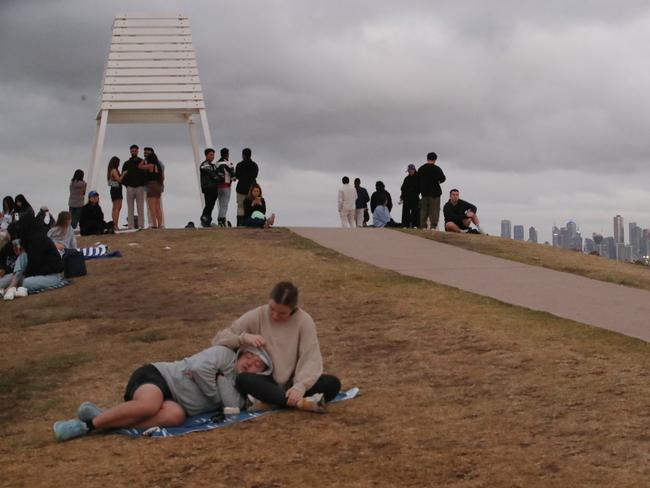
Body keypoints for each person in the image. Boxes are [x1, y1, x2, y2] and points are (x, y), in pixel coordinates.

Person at [52, 346, 272, 442]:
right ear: (243, 352)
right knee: (149, 405)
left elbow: (232, 408)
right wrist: (216, 393)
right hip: (161, 376)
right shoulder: (224, 354)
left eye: (257, 366)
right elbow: (196, 369)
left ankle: (104, 418)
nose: (250, 363)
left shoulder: (239, 389)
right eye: (250, 357)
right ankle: (85, 426)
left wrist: (221, 382)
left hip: (175, 403)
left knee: (175, 417)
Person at [212, 282, 341, 412]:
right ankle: (300, 403)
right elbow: (220, 338)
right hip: (264, 380)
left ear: (293, 309)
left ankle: (271, 402)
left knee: (333, 383)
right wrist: (243, 338)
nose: (274, 316)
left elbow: (311, 358)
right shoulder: (258, 314)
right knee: (243, 380)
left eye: (282, 313)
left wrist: (300, 386)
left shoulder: (304, 321)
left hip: (292, 381)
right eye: (272, 309)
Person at [2, 214, 65, 300]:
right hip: (37, 272)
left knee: (26, 283)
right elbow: (25, 261)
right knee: (23, 257)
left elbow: (35, 264)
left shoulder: (39, 239)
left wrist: (25, 274)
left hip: (52, 275)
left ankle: (14, 284)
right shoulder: (28, 239)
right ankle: (13, 283)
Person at [418, 152, 446, 230]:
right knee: (434, 210)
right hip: (435, 193)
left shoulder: (421, 168)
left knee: (423, 210)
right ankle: (433, 226)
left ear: (427, 158)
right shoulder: (437, 169)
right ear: (435, 159)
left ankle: (423, 226)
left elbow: (417, 179)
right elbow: (443, 179)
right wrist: (437, 181)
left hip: (424, 193)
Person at [121, 144, 146, 229]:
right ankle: (130, 226)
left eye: (135, 151)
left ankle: (141, 225)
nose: (134, 152)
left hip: (140, 187)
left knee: (140, 207)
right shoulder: (126, 163)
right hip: (130, 187)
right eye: (132, 151)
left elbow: (145, 174)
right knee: (130, 208)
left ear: (138, 151)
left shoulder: (142, 162)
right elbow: (123, 175)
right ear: (130, 151)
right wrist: (127, 185)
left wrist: (142, 184)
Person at [235, 148, 259, 227]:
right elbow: (255, 175)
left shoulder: (239, 165)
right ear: (250, 155)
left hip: (241, 188)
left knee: (240, 206)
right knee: (251, 205)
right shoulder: (254, 165)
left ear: (243, 155)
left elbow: (237, 176)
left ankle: (240, 222)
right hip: (251, 189)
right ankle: (250, 222)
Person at [141, 147, 163, 229]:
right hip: (158, 185)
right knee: (158, 207)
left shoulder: (150, 165)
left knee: (152, 207)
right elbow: (162, 177)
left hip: (151, 185)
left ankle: (154, 224)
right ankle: (160, 224)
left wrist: (144, 159)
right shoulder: (159, 167)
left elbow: (140, 166)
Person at [199, 148, 219, 227]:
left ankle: (207, 220)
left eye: (213, 155)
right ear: (206, 155)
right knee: (208, 205)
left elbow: (218, 175)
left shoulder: (213, 166)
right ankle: (204, 219)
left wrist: (218, 176)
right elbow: (213, 175)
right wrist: (217, 177)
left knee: (211, 205)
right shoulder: (204, 165)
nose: (212, 156)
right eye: (210, 155)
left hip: (214, 188)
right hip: (208, 188)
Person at [216, 147, 235, 227]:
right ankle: (221, 219)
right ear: (227, 154)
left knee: (221, 204)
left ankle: (220, 219)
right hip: (226, 185)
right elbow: (233, 175)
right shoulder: (228, 162)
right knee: (225, 204)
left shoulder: (216, 163)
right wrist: (233, 178)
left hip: (218, 186)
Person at [400, 164, 420, 228]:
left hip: (414, 197)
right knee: (405, 212)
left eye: (411, 170)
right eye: (409, 170)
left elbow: (419, 188)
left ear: (414, 169)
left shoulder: (418, 177)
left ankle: (415, 225)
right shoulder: (406, 178)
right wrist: (402, 196)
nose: (410, 171)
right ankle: (405, 225)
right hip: (406, 198)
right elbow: (403, 188)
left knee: (415, 211)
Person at [107, 156, 124, 230]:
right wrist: (124, 174)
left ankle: (114, 224)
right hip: (117, 190)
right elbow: (119, 180)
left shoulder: (110, 170)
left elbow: (110, 182)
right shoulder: (114, 170)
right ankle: (115, 224)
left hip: (114, 189)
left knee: (115, 207)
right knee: (117, 207)